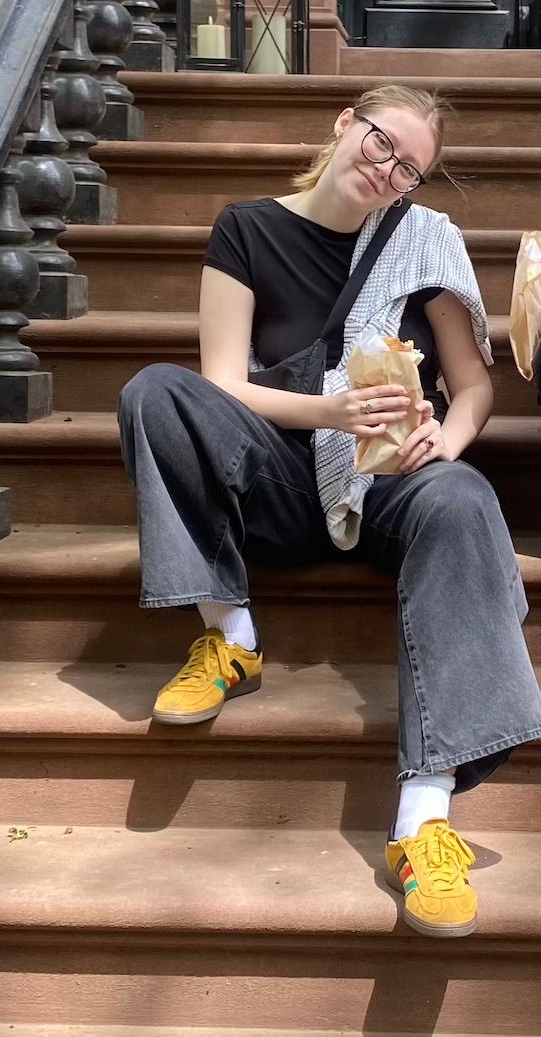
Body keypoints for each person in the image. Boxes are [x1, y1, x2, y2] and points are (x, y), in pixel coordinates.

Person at [117, 85, 541, 940]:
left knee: (463, 498)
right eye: (382, 145)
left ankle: (423, 818)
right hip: (278, 476)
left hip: (384, 482)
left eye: (409, 169)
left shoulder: (420, 240)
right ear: (347, 122)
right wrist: (329, 412)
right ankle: (230, 636)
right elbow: (222, 384)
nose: (386, 171)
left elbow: (473, 385)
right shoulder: (245, 228)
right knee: (154, 392)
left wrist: (447, 443)